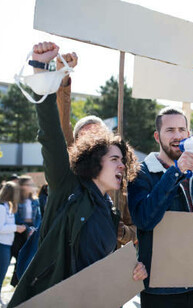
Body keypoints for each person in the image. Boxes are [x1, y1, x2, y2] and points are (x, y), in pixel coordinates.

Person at [8, 41, 147, 308]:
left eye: (124, 161)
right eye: (115, 159)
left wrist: (130, 273)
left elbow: (101, 270)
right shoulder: (66, 187)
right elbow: (51, 135)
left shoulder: (110, 210)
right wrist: (43, 72)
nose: (122, 167)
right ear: (94, 161)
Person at [127, 106, 193, 308]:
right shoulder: (141, 173)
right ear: (157, 136)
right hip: (162, 292)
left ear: (188, 134)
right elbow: (144, 220)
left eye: (181, 130)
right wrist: (175, 172)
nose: (177, 136)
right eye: (170, 130)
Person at [55, 53, 136, 247]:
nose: (93, 145)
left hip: (110, 265)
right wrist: (63, 79)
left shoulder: (122, 183)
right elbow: (59, 125)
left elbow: (136, 230)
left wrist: (123, 232)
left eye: (98, 138)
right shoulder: (72, 176)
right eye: (86, 139)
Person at [0, 182, 27, 308]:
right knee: (1, 273)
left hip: (7, 244)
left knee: (2, 272)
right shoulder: (0, 207)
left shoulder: (8, 206)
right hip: (1, 244)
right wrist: (16, 228)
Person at [10, 175, 41, 286]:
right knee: (20, 258)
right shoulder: (15, 200)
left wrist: (35, 229)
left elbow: (38, 217)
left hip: (31, 232)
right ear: (22, 186)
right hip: (19, 233)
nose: (31, 187)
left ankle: (21, 284)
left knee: (29, 259)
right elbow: (15, 217)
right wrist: (27, 229)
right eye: (28, 184)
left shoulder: (35, 200)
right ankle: (17, 284)